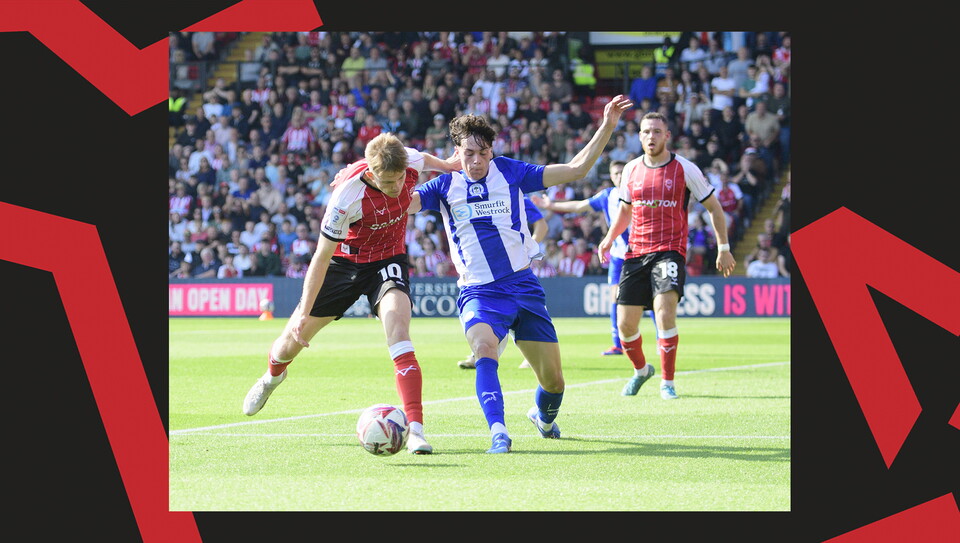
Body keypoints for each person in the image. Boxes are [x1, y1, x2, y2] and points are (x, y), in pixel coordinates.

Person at [411, 95, 633, 453]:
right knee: (484, 349)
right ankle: (498, 431)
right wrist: (409, 163)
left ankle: (543, 417)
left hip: (523, 287)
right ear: (457, 151)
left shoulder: (511, 172)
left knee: (555, 382)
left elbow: (576, 169)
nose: (477, 160)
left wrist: (607, 125)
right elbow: (400, 202)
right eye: (469, 153)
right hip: (479, 292)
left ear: (491, 151)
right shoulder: (443, 186)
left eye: (483, 153)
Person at [241, 133, 459, 456]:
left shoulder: (407, 161)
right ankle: (271, 378)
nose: (397, 187)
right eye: (387, 182)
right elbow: (321, 256)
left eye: (400, 179)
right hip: (344, 265)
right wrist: (302, 313)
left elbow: (425, 159)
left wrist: (449, 165)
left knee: (398, 331)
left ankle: (416, 431)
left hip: (388, 260)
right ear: (370, 174)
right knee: (289, 343)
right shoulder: (347, 195)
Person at [598, 111, 735, 401]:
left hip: (669, 251)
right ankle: (641, 370)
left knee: (664, 311)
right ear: (640, 136)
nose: (651, 136)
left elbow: (714, 207)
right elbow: (625, 211)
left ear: (667, 136)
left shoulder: (685, 169)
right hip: (636, 253)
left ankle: (667, 382)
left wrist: (723, 248)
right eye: (646, 131)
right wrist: (609, 239)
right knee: (625, 324)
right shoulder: (632, 170)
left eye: (657, 131)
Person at [532, 160, 657, 356]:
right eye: (614, 173)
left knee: (650, 299)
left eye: (621, 173)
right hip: (618, 256)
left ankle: (661, 340)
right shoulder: (608, 196)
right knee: (615, 297)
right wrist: (551, 205)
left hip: (642, 253)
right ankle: (618, 344)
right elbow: (579, 206)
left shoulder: (641, 193)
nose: (618, 177)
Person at [456, 196, 548, 370]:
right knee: (491, 312)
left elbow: (541, 225)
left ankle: (535, 353)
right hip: (487, 268)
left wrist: (528, 248)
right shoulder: (474, 199)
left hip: (516, 269)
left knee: (526, 307)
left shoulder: (515, 196)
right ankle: (480, 354)